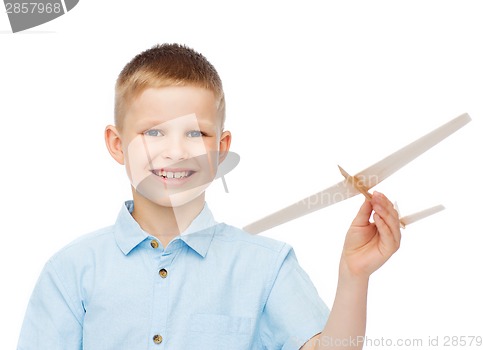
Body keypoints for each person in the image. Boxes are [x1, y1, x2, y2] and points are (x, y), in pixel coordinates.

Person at [17, 43, 401, 350]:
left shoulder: (265, 266)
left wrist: (354, 276)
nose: (176, 151)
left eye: (196, 134)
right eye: (153, 132)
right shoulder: (71, 270)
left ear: (221, 148)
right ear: (117, 145)